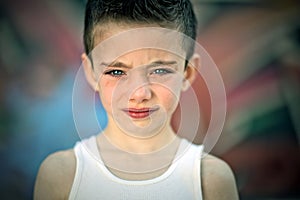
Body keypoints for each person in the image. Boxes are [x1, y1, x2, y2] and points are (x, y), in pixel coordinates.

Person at [34, 0, 239, 199]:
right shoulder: (62, 177)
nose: (139, 94)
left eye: (159, 70)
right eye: (116, 71)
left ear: (187, 73)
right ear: (90, 72)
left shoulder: (210, 181)